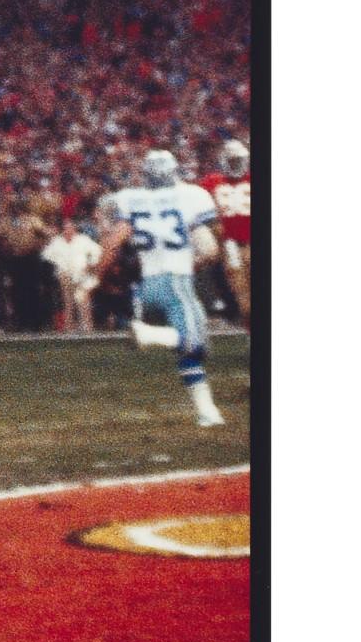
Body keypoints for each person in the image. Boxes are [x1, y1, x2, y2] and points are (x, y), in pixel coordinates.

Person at [95, 150, 225, 427]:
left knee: (190, 352)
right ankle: (148, 333)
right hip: (177, 281)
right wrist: (197, 262)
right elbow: (211, 249)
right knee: (196, 341)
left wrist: (100, 275)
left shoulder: (130, 199)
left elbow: (112, 242)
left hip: (148, 284)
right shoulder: (192, 195)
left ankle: (207, 412)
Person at [198, 139, 252, 321]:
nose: (235, 164)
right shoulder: (212, 181)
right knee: (240, 288)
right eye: (232, 160)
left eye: (238, 160)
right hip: (229, 244)